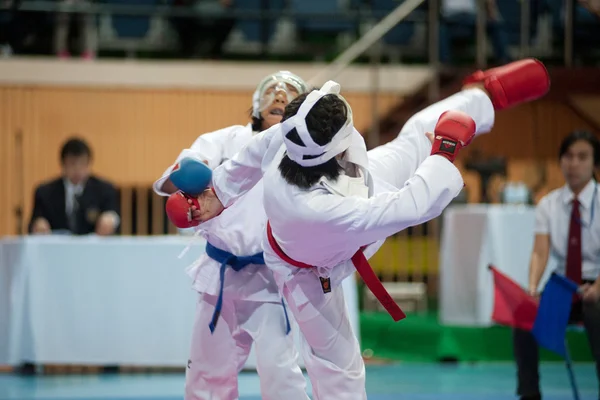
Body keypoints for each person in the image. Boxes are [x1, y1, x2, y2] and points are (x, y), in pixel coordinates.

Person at [177, 59, 550, 399]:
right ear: (334, 148)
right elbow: (412, 205)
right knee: (338, 366)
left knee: (417, 133)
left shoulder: (289, 134)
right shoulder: (321, 210)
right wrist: (445, 151)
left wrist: (219, 193)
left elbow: (248, 158)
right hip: (308, 271)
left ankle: (483, 96)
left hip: (359, 177)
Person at [154, 71, 310, 400]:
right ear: (256, 103)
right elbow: (176, 178)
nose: (280, 97)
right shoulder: (225, 139)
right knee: (207, 372)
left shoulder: (305, 157)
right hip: (220, 275)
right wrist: (191, 182)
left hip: (270, 276)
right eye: (272, 91)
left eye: (290, 94)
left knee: (281, 372)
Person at [514, 130, 600, 400]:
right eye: (568, 156)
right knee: (524, 314)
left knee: (595, 311)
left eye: (582, 157)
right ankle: (530, 393)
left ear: (594, 164)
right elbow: (540, 251)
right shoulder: (548, 204)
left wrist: (597, 287)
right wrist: (531, 288)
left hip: (597, 284)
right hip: (563, 287)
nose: (574, 163)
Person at [29, 137, 119, 235]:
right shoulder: (45, 193)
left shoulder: (105, 190)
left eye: (82, 164)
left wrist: (110, 220)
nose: (78, 169)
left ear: (89, 164)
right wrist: (39, 225)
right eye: (72, 164)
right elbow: (34, 222)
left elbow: (113, 215)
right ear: (63, 164)